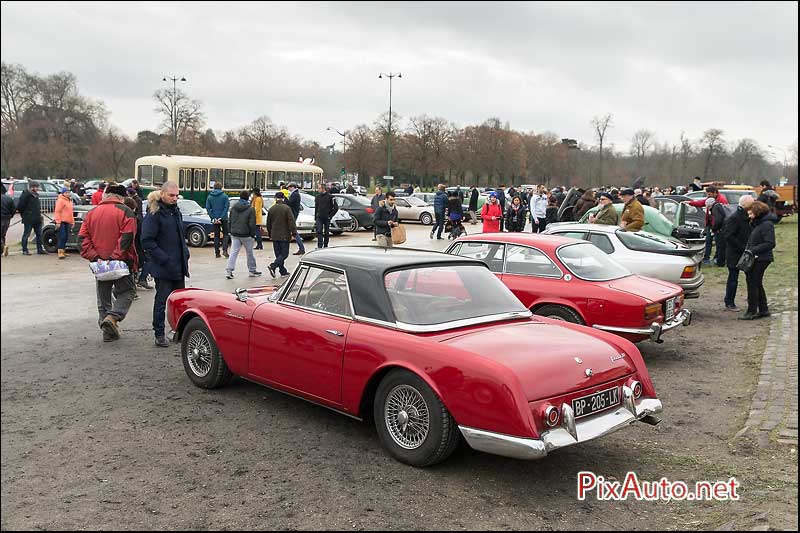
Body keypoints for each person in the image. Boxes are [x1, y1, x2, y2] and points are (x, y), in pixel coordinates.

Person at [78, 184, 138, 342]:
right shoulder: (126, 212)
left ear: (106, 195)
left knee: (103, 298)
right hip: (120, 263)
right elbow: (127, 237)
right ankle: (112, 318)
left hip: (99, 265)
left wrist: (95, 257)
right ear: (122, 197)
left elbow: (82, 239)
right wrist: (114, 257)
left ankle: (107, 332)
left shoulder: (91, 213)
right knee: (128, 291)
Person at [141, 181, 190, 348]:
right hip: (164, 267)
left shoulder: (176, 212)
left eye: (177, 195)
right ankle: (159, 333)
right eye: (171, 195)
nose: (175, 198)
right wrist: (164, 259)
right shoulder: (155, 214)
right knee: (162, 301)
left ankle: (179, 331)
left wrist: (185, 253)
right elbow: (146, 240)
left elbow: (178, 237)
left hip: (179, 265)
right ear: (162, 194)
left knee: (180, 302)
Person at [739, 201, 777, 320]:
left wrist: (753, 250)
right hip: (757, 257)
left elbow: (770, 243)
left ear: (757, 212)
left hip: (761, 258)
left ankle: (752, 311)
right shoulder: (759, 223)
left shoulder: (766, 225)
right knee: (756, 283)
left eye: (751, 213)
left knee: (753, 283)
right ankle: (763, 309)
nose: (749, 216)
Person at [722, 195, 754, 311]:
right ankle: (729, 302)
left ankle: (752, 301)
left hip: (746, 252)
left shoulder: (748, 216)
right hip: (735, 253)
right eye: (751, 204)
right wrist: (742, 247)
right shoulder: (734, 218)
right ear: (745, 205)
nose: (753, 206)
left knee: (750, 278)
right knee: (733, 279)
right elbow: (728, 236)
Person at [689, 186, 729, 265]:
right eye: (707, 195)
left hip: (718, 226)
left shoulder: (722, 201)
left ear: (715, 193)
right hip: (710, 224)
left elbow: (721, 216)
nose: (707, 196)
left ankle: (718, 259)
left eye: (709, 194)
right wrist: (690, 203)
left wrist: (716, 227)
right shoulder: (710, 200)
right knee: (708, 241)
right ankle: (706, 258)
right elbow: (702, 203)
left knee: (719, 243)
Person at [225, 191, 261, 279]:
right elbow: (252, 223)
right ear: (248, 198)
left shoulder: (233, 207)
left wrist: (230, 230)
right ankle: (252, 270)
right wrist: (252, 234)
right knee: (249, 253)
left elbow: (230, 220)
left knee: (233, 252)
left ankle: (229, 271)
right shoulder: (250, 209)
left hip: (235, 233)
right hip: (246, 234)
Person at [265, 191, 296, 277]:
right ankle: (273, 266)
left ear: (275, 198)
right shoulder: (287, 208)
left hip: (274, 235)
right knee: (284, 254)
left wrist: (270, 234)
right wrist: (294, 232)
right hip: (284, 235)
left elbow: (268, 223)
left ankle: (282, 271)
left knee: (278, 254)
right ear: (283, 198)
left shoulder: (271, 209)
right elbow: (291, 221)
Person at [17, 180, 45, 255]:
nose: (38, 188)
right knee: (26, 234)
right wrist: (25, 214)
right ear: (32, 187)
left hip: (37, 218)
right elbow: (20, 206)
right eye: (37, 187)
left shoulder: (36, 195)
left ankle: (40, 249)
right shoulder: (25, 195)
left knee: (39, 234)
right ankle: (24, 249)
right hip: (28, 218)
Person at [206, 181, 230, 258]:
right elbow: (226, 208)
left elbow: (208, 208)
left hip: (214, 219)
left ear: (214, 188)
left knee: (216, 235)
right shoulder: (225, 196)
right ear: (221, 187)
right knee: (226, 234)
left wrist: (213, 217)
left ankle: (217, 253)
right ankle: (225, 250)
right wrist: (221, 217)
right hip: (224, 218)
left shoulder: (210, 197)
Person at [53, 186, 75, 259]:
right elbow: (57, 211)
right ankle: (60, 252)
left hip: (67, 221)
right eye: (66, 192)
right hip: (61, 221)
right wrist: (58, 222)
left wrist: (72, 222)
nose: (68, 194)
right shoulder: (60, 200)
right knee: (62, 236)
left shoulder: (69, 201)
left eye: (68, 192)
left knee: (66, 237)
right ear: (63, 193)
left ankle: (63, 250)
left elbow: (71, 212)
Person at [314, 183, 337, 248]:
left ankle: (326, 245)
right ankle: (319, 245)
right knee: (319, 231)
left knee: (326, 232)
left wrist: (330, 215)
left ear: (323, 189)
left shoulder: (331, 197)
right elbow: (316, 207)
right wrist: (315, 217)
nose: (318, 190)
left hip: (327, 217)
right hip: (319, 217)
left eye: (319, 188)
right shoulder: (317, 197)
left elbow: (335, 208)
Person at [286, 183, 306, 255]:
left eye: (289, 188)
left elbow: (289, 203)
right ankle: (301, 248)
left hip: (293, 215)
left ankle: (301, 248)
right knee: (292, 231)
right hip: (293, 214)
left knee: (294, 232)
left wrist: (284, 197)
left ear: (292, 187)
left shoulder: (295, 194)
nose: (288, 189)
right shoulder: (295, 194)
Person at [1, 184, 15, 257]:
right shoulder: (9, 199)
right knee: (3, 235)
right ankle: (3, 249)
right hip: (7, 218)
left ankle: (3, 247)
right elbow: (13, 209)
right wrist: (11, 216)